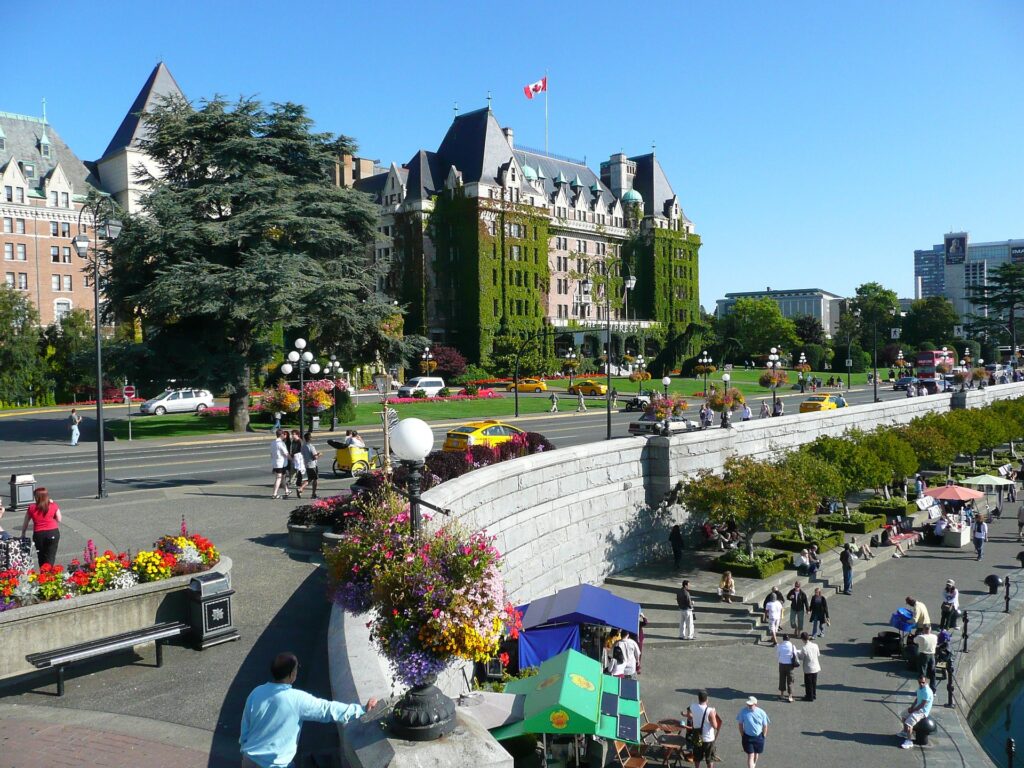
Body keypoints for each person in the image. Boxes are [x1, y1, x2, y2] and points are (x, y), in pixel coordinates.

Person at [240, 652, 377, 768]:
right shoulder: (297, 699)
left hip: (249, 760)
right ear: (291, 674)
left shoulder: (256, 692)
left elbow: (245, 727)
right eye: (296, 669)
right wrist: (362, 710)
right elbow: (327, 709)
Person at [19, 487, 61, 567]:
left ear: (36, 497)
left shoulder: (32, 507)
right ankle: (49, 575)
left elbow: (26, 522)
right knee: (50, 556)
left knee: (41, 556)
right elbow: (59, 519)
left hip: (39, 534)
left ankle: (43, 575)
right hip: (52, 532)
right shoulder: (53, 505)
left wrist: (23, 533)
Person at [686, 689, 721, 768]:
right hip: (708, 739)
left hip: (697, 737)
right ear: (707, 699)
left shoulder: (693, 706)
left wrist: (693, 717)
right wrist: (714, 714)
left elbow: (689, 714)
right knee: (709, 759)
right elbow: (715, 726)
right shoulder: (710, 711)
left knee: (697, 757)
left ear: (698, 698)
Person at [897, 677, 934, 750]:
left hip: (922, 711)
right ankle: (905, 732)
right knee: (904, 715)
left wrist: (913, 710)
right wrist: (911, 707)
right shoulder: (920, 689)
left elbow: (922, 705)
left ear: (926, 682)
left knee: (908, 723)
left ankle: (909, 741)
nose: (921, 684)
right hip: (917, 708)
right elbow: (917, 699)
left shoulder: (927, 691)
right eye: (920, 682)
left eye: (923, 682)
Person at [736, 696, 770, 768]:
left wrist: (764, 736)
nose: (749, 706)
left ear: (755, 704)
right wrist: (742, 735)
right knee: (750, 755)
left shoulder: (762, 712)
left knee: (756, 754)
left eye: (751, 705)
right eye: (748, 704)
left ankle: (753, 765)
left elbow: (765, 725)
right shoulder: (743, 712)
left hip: (759, 737)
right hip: (747, 737)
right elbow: (740, 724)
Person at [797, 632, 822, 701]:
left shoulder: (804, 648)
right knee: (814, 682)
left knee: (808, 683)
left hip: (808, 668)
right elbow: (818, 654)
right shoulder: (815, 645)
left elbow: (801, 657)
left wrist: (798, 654)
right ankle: (813, 694)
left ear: (803, 639)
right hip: (816, 666)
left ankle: (809, 696)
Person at [914, 624, 938, 691]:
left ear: (923, 629)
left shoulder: (921, 637)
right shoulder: (935, 636)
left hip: (923, 655)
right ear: (930, 629)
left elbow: (914, 641)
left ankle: (923, 688)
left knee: (922, 673)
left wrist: (920, 634)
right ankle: (933, 690)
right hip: (932, 656)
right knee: (932, 673)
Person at [776, 634, 797, 702]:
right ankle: (790, 696)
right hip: (790, 665)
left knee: (782, 679)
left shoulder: (780, 646)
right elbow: (795, 655)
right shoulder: (792, 646)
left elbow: (777, 655)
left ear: (783, 639)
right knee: (790, 680)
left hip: (782, 664)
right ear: (789, 639)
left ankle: (782, 694)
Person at [271, 431, 291, 499]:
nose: (284, 436)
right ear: (281, 435)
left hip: (275, 463)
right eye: (284, 434)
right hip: (281, 463)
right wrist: (292, 460)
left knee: (283, 477)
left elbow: (271, 454)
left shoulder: (273, 442)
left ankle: (287, 491)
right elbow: (286, 453)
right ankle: (274, 494)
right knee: (279, 478)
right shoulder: (281, 443)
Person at [301, 432, 320, 499]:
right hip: (313, 465)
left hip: (307, 464)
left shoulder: (303, 446)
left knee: (310, 479)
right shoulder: (311, 447)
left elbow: (303, 454)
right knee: (315, 480)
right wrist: (319, 454)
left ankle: (302, 489)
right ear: (310, 439)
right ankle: (313, 494)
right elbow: (315, 457)